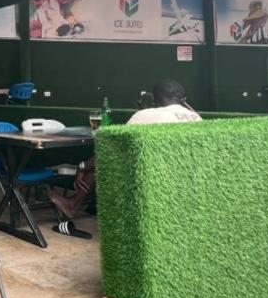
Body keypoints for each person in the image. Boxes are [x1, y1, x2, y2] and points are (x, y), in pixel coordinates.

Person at [48, 80, 201, 222]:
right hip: (187, 178)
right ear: (183, 99)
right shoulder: (196, 118)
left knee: (98, 164)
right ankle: (86, 205)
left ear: (154, 99)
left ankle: (73, 204)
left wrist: (82, 166)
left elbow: (112, 149)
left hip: (151, 177)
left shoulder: (145, 115)